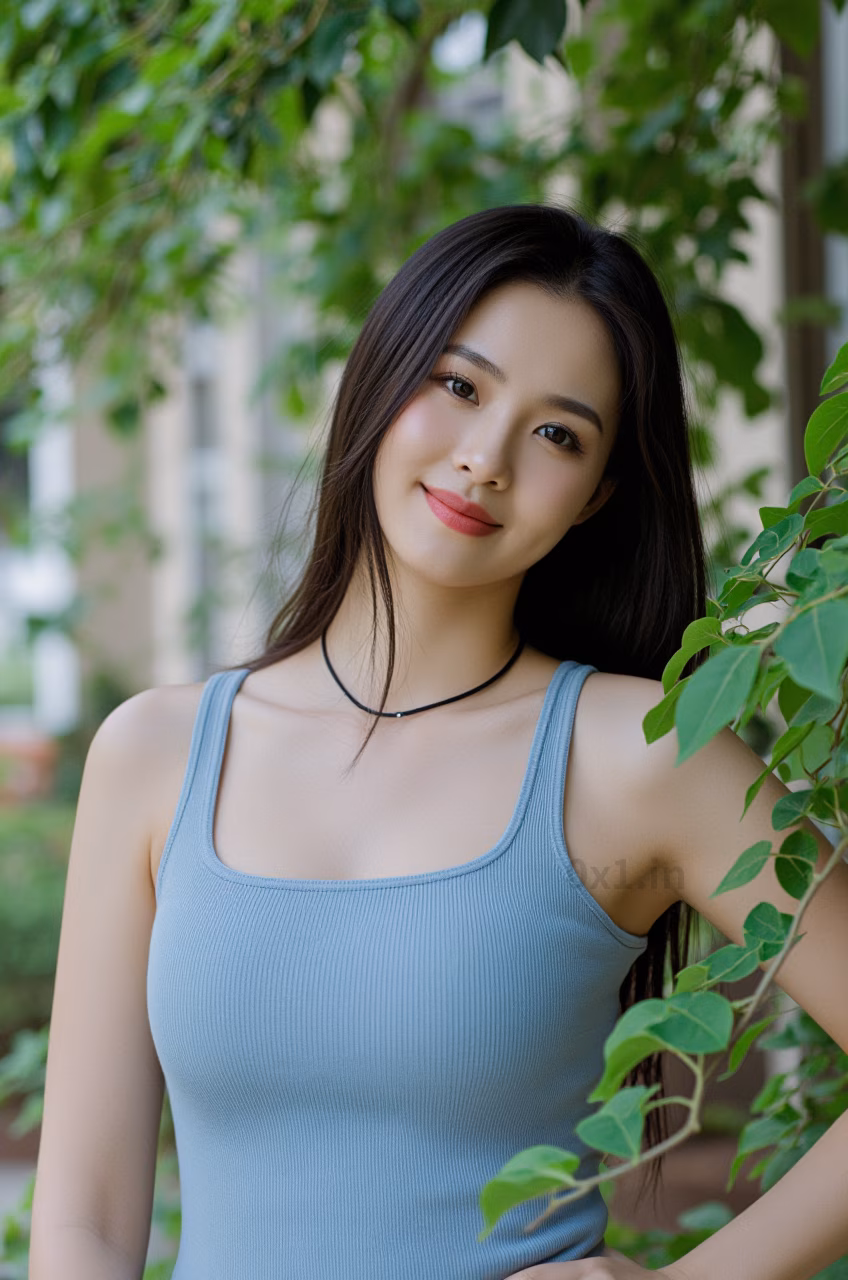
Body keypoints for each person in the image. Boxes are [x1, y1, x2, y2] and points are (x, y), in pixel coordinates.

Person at [29, 204, 848, 1280]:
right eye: (457, 386)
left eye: (556, 433)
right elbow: (83, 1211)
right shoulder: (156, 752)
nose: (483, 458)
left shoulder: (640, 756)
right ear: (378, 376)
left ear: (596, 494)